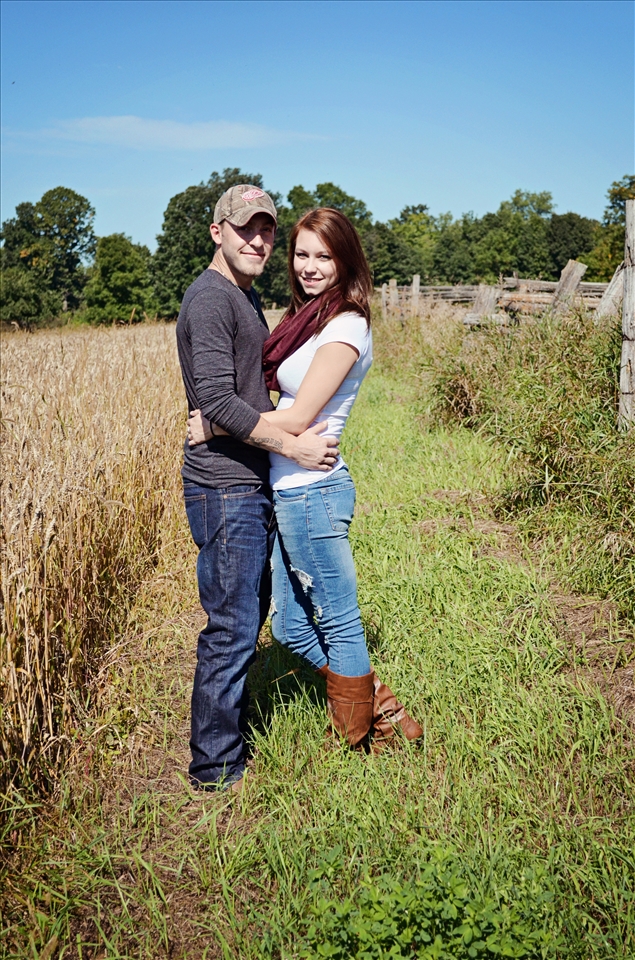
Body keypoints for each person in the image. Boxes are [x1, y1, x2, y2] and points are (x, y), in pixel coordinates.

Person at [188, 207, 422, 751]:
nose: (310, 267)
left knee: (338, 623)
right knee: (291, 629)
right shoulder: (312, 318)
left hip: (313, 492)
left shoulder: (345, 324)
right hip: (292, 488)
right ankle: (382, 708)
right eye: (302, 255)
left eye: (324, 256)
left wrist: (216, 425)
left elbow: (295, 418)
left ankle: (358, 739)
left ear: (346, 262)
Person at [176, 185, 339, 792]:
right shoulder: (211, 301)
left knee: (247, 615)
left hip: (245, 480)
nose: (258, 241)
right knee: (233, 625)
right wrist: (292, 444)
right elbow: (215, 395)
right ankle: (215, 768)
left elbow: (229, 400)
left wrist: (221, 419)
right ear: (217, 232)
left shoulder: (242, 298)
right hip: (224, 487)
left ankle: (229, 741)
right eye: (245, 229)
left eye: (267, 230)